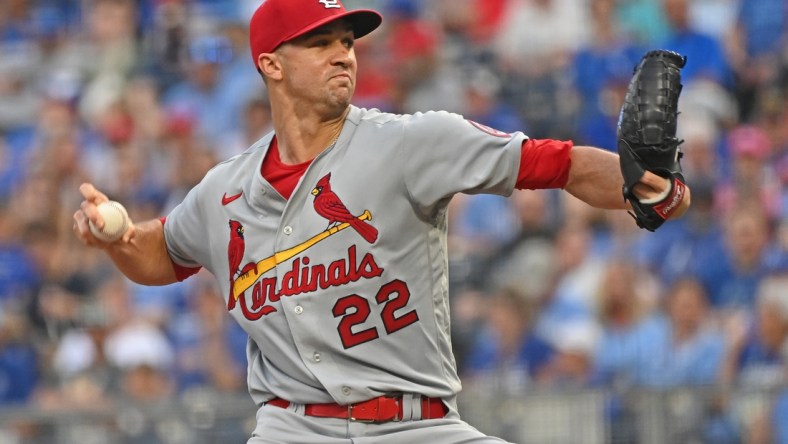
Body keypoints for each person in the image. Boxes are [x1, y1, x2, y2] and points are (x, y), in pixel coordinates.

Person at [72, 1, 691, 442]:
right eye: (320, 42)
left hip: (418, 424)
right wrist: (118, 238)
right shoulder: (223, 191)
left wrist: (650, 190)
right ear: (271, 64)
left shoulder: (411, 141)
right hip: (293, 427)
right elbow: (162, 254)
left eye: (347, 41)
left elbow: (558, 165)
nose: (343, 53)